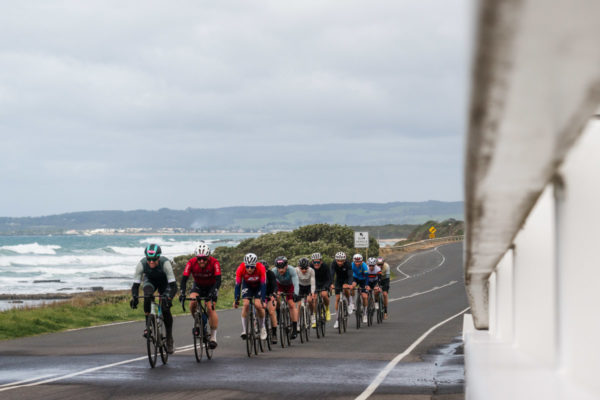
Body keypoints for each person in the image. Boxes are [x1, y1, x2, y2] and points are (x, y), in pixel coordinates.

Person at [130, 244, 178, 354]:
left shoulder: (165, 263)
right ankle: (148, 326)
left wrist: (169, 298)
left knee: (165, 309)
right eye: (149, 259)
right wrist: (135, 299)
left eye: (154, 259)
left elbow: (174, 286)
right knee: (147, 295)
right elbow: (135, 286)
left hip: (165, 284)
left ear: (158, 257)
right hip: (150, 281)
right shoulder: (141, 264)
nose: (151, 262)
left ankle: (169, 338)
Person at [178, 242, 221, 349]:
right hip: (198, 286)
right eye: (199, 258)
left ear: (208, 257)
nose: (201, 261)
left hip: (211, 286)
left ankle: (213, 338)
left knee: (210, 308)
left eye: (204, 258)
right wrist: (182, 292)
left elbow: (218, 280)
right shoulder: (191, 262)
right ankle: (198, 322)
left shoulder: (214, 263)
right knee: (192, 302)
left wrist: (214, 291)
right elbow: (184, 279)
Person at [234, 253, 267, 340]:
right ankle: (245, 330)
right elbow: (238, 285)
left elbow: (263, 285)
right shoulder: (240, 268)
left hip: (258, 286)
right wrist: (236, 299)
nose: (249, 269)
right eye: (247, 266)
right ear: (245, 265)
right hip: (247, 285)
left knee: (258, 305)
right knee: (245, 304)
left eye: (252, 267)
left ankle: (262, 327)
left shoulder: (261, 268)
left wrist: (263, 300)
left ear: (255, 265)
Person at [273, 256, 300, 339]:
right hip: (279, 285)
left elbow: (296, 283)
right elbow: (272, 283)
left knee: (291, 304)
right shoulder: (274, 271)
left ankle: (295, 328)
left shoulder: (291, 270)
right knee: (276, 298)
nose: (280, 270)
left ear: (286, 266)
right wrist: (275, 292)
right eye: (279, 268)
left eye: (282, 268)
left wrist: (296, 293)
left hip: (290, 286)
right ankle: (278, 314)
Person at [330, 251, 353, 329]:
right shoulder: (333, 263)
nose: (340, 262)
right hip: (338, 280)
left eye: (342, 261)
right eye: (338, 261)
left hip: (346, 279)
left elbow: (350, 275)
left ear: (344, 260)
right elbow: (332, 274)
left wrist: (349, 284)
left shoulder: (348, 264)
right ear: (336, 260)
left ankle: (350, 302)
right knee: (337, 299)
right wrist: (331, 283)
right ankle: (337, 319)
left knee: (345, 287)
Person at [310, 252, 332, 321]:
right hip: (315, 284)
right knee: (314, 298)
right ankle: (315, 315)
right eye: (315, 262)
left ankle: (327, 310)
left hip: (324, 283)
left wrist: (327, 287)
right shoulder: (310, 267)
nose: (316, 264)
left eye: (318, 262)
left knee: (324, 294)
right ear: (312, 262)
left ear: (321, 261)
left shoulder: (325, 266)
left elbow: (329, 279)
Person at [262, 260, 279, 344]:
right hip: (261, 295)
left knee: (272, 312)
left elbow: (275, 285)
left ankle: (274, 334)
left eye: (265, 270)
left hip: (270, 294)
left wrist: (274, 294)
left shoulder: (271, 274)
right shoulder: (257, 275)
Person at [296, 257, 316, 327]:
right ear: (299, 267)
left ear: (308, 267)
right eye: (302, 268)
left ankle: (312, 314)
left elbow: (313, 282)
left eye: (306, 268)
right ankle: (297, 323)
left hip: (309, 286)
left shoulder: (311, 270)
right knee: (298, 305)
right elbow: (294, 282)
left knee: (310, 300)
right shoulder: (296, 270)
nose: (304, 270)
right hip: (300, 286)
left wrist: (313, 292)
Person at [351, 253, 369, 324]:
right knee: (352, 287)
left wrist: (367, 285)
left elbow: (367, 277)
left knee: (364, 296)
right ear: (353, 261)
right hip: (355, 278)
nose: (357, 263)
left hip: (363, 280)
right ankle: (352, 303)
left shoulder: (364, 266)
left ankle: (365, 313)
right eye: (356, 262)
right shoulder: (352, 265)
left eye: (359, 262)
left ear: (362, 261)